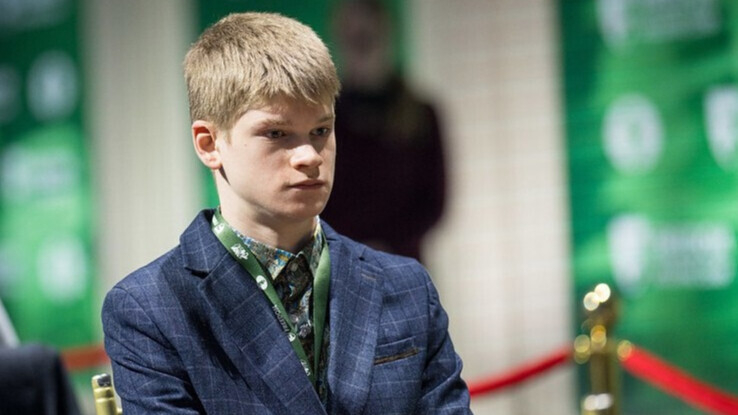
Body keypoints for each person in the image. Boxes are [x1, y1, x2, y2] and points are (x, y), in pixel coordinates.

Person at [101, 12, 470, 414]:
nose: (309, 156)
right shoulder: (149, 309)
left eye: (321, 130)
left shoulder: (408, 287)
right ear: (209, 144)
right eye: (276, 133)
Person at [320, 0, 447, 262]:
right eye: (352, 39)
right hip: (344, 263)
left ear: (386, 36)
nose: (360, 49)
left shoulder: (421, 115)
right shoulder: (323, 119)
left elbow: (433, 203)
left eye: (366, 38)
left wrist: (385, 244)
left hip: (402, 263)